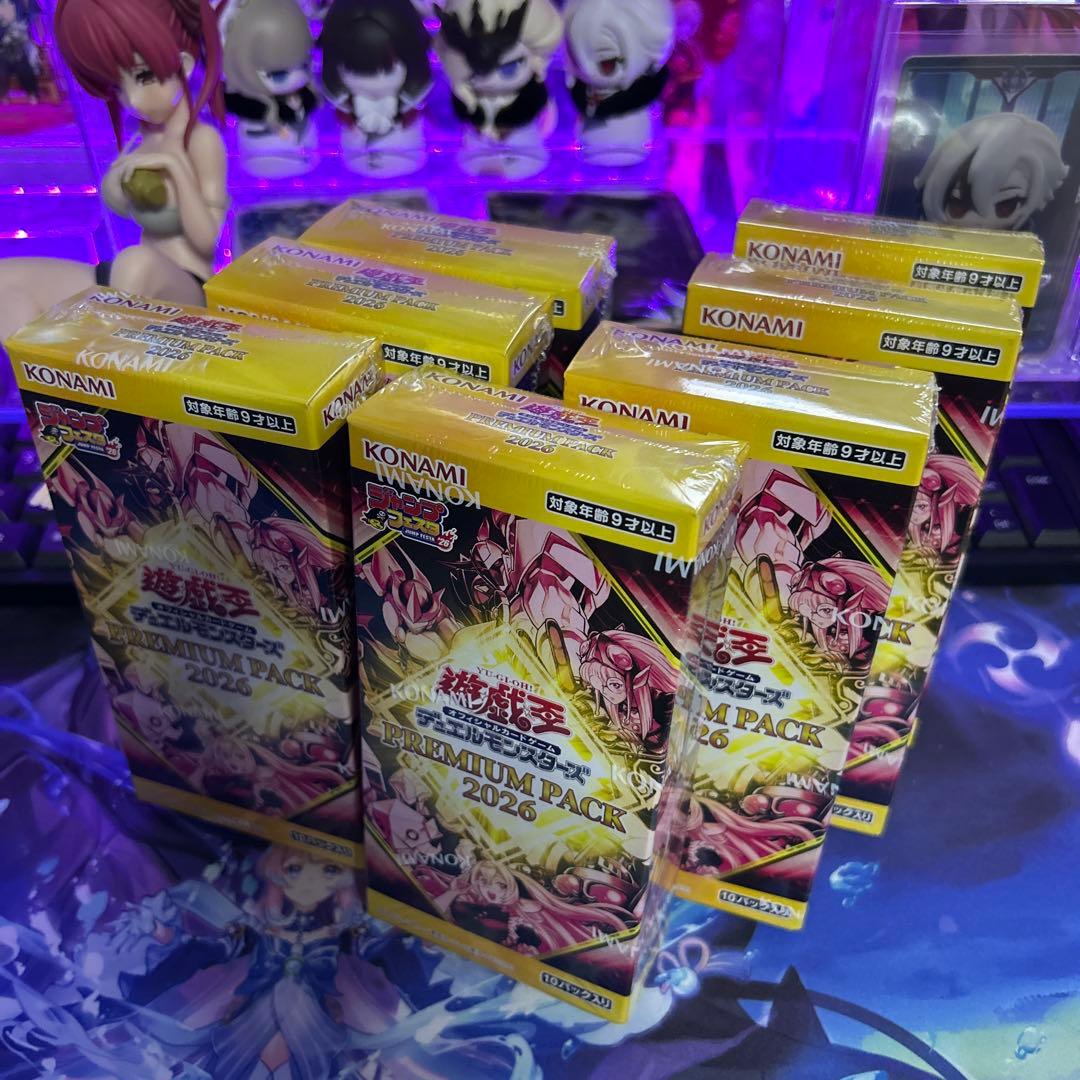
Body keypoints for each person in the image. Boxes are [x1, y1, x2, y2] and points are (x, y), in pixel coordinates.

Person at [0, 0, 226, 341]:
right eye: (117, 86)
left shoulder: (201, 140)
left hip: (183, 290)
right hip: (126, 285)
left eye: (143, 77)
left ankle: (109, 356)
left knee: (135, 261)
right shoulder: (139, 138)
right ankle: (36, 366)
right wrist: (121, 181)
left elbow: (209, 240)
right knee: (7, 279)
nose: (132, 100)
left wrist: (175, 169)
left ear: (183, 64)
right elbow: (119, 204)